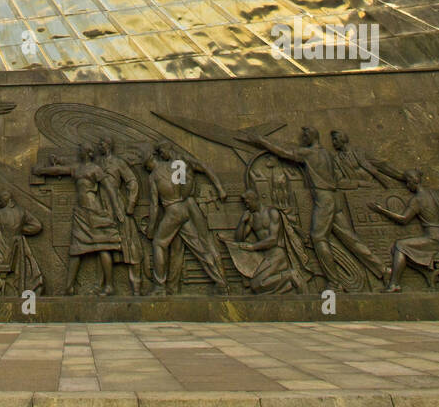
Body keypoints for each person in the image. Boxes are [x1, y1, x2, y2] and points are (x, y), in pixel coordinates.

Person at [241, 125, 386, 288]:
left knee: (318, 238)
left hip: (324, 200)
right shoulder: (327, 154)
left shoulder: (310, 153)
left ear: (311, 137)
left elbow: (284, 153)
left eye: (304, 137)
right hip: (334, 198)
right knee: (351, 240)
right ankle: (383, 269)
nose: (302, 140)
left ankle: (334, 282)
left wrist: (261, 141)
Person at [33, 144, 121, 295]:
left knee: (103, 246)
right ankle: (69, 287)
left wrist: (117, 208)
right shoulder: (78, 168)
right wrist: (42, 171)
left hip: (94, 211)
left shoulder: (95, 169)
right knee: (76, 249)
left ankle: (109, 286)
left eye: (81, 149)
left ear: (87, 152)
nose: (78, 151)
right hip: (80, 213)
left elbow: (109, 188)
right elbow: (60, 170)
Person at [145, 143, 228, 294]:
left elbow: (154, 206)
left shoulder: (154, 176)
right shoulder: (176, 165)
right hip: (184, 209)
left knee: (159, 243)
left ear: (150, 160)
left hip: (173, 211)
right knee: (194, 247)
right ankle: (219, 282)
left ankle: (159, 287)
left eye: (146, 165)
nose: (146, 169)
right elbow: (183, 187)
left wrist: (151, 227)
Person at [369, 170, 439, 291]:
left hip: (433, 238)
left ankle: (394, 284)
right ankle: (428, 274)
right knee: (398, 249)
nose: (407, 186)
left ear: (413, 182)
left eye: (407, 183)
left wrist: (381, 210)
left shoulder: (417, 199)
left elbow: (404, 219)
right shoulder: (435, 193)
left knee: (399, 246)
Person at [96, 136, 144, 295]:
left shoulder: (118, 163)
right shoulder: (98, 163)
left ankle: (136, 287)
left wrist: (131, 204)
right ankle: (107, 285)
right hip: (101, 208)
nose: (99, 145)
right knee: (104, 246)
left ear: (108, 145)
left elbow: (132, 182)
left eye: (101, 142)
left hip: (118, 206)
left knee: (129, 245)